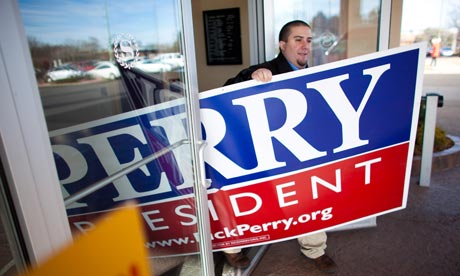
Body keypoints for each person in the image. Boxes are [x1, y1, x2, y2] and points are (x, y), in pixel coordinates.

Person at [222, 20, 337, 274]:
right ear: (282, 45)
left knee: (308, 199)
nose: (305, 46)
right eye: (298, 39)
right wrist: (249, 81)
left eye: (308, 40)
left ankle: (315, 250)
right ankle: (232, 248)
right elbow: (224, 94)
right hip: (262, 153)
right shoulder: (264, 70)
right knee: (251, 199)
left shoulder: (311, 74)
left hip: (298, 152)